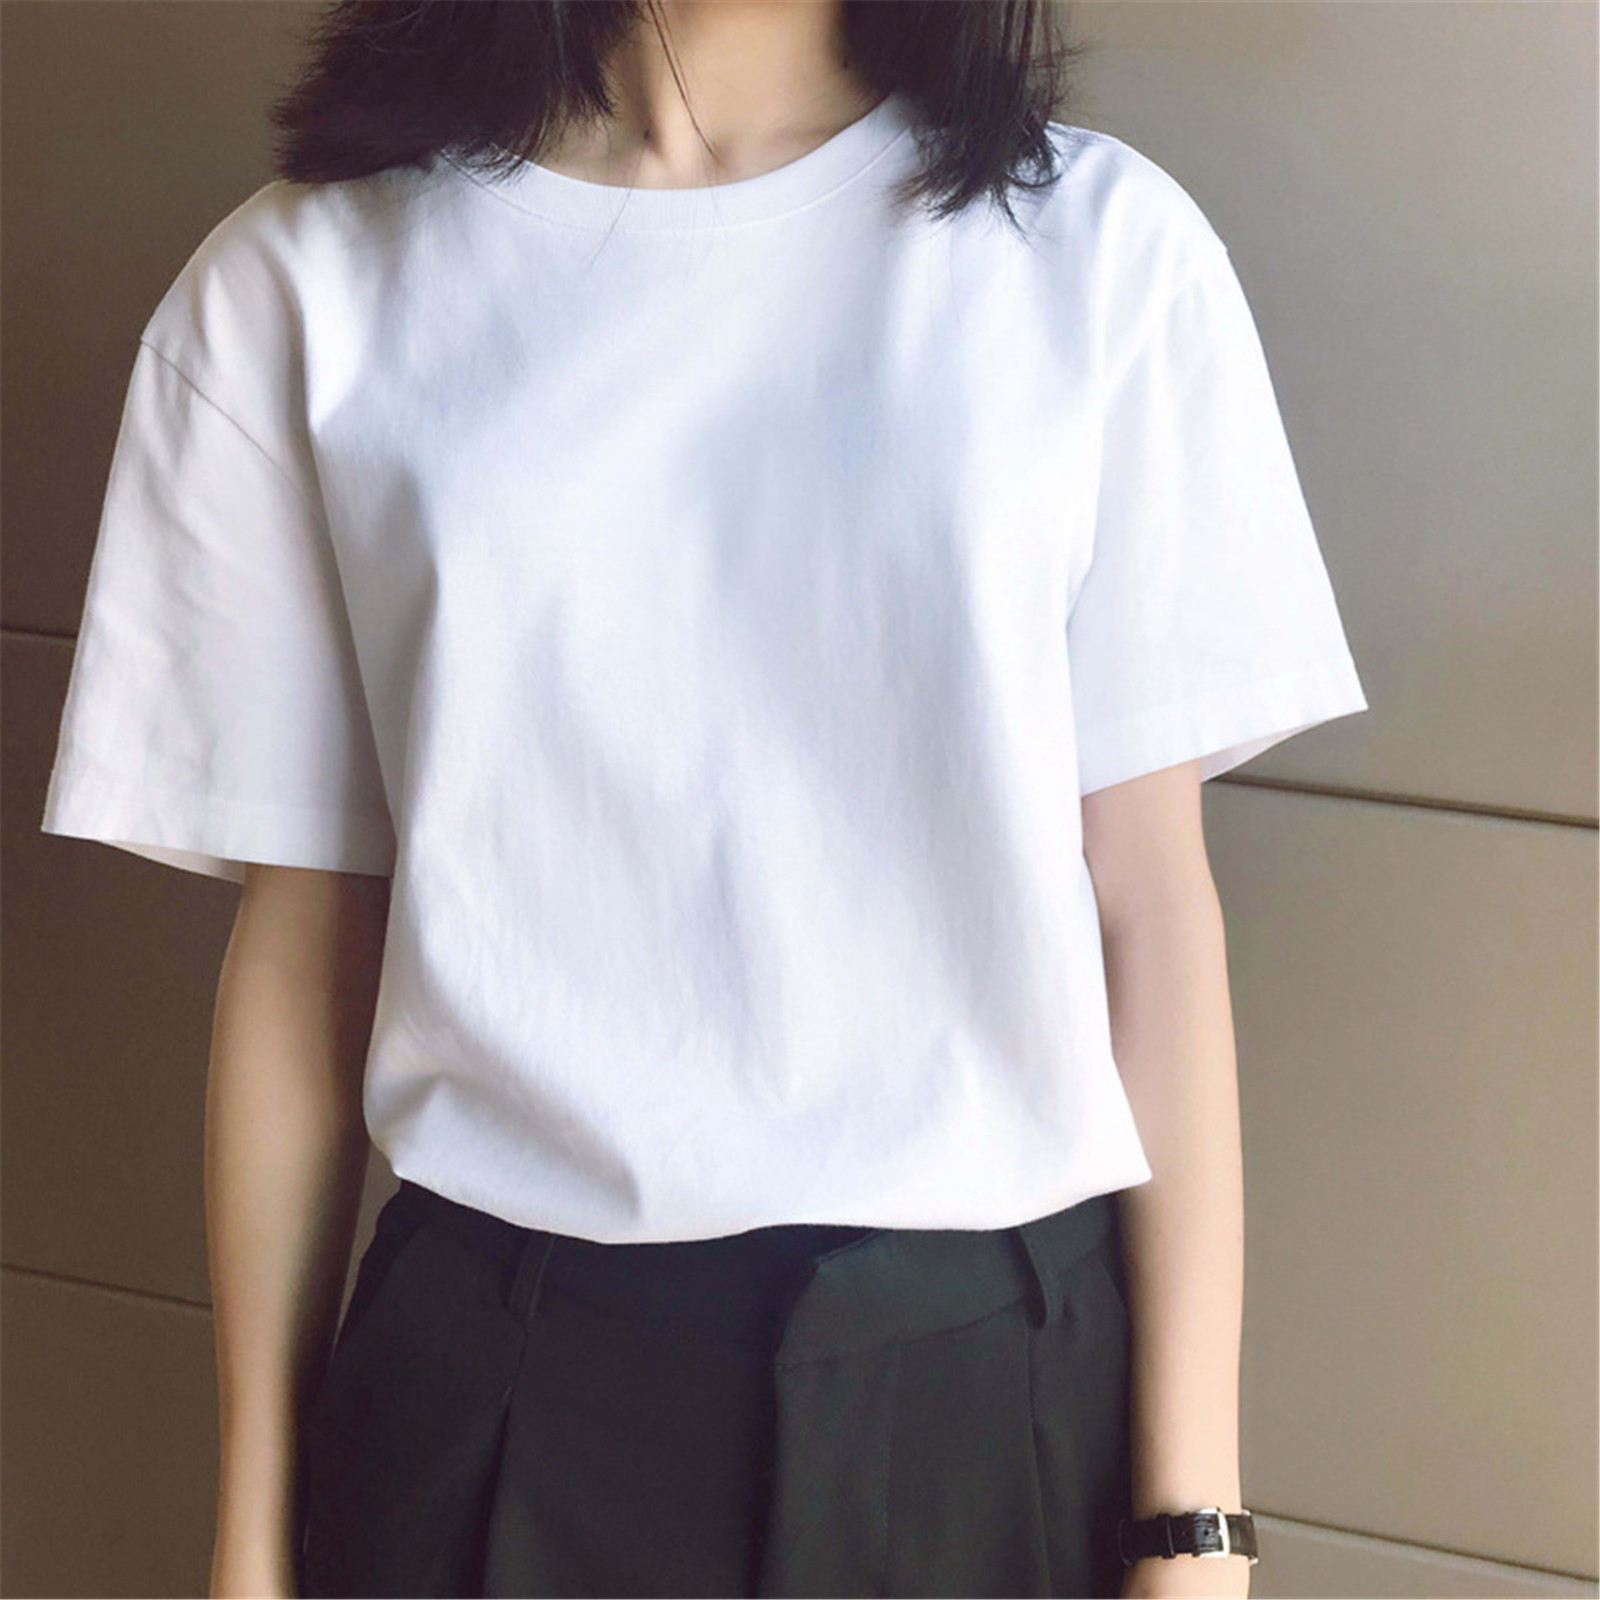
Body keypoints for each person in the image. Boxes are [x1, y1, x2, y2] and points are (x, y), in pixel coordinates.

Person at [40, 1, 1368, 1596]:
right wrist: (252, 1538)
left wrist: (1196, 1527)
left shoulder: (1097, 247)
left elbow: (1149, 904)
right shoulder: (303, 282)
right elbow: (306, 933)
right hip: (503, 1391)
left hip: (986, 1395)